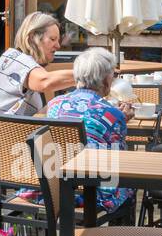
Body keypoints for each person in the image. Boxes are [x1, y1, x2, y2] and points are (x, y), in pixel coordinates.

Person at [12, 47, 134, 216]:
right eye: (112, 75)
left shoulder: (55, 104)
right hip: (92, 194)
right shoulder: (112, 114)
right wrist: (120, 120)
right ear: (106, 80)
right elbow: (117, 158)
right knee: (130, 186)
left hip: (55, 189)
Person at [0, 11, 75, 173]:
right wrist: (89, 74)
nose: (58, 45)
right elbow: (45, 82)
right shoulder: (21, 62)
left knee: (67, 151)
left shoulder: (12, 57)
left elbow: (39, 113)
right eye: (52, 39)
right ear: (32, 38)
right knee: (70, 157)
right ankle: (44, 197)